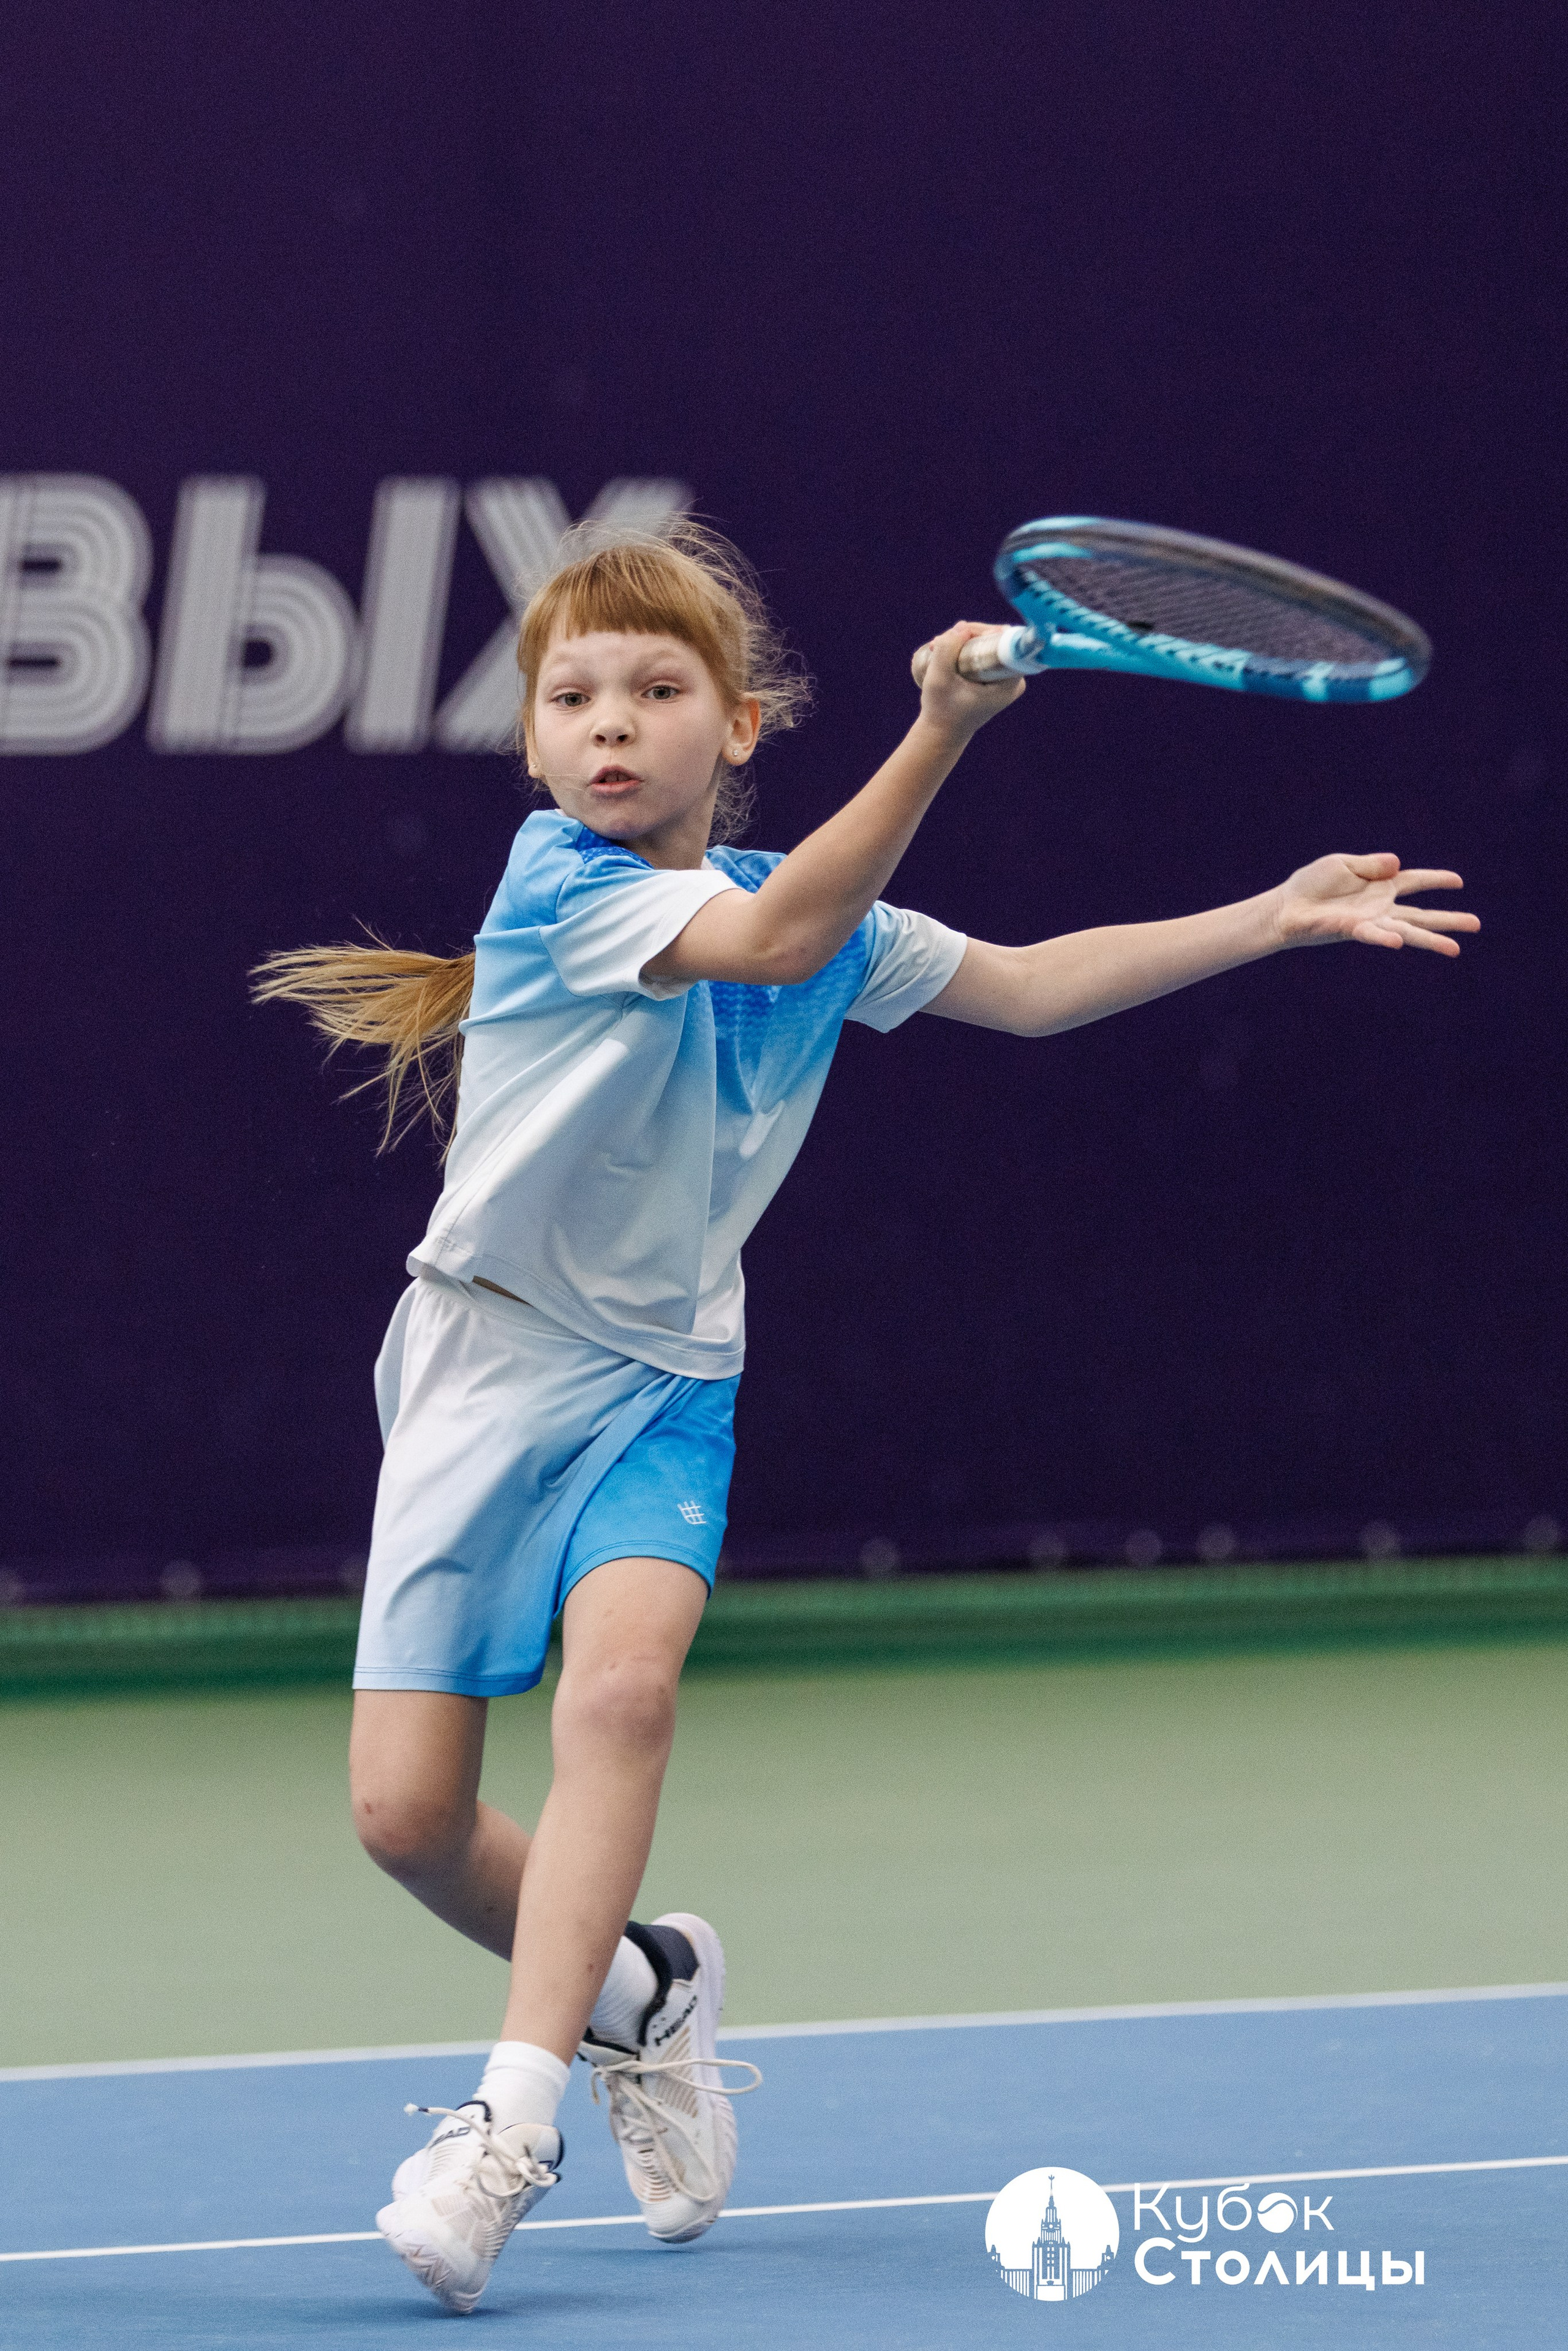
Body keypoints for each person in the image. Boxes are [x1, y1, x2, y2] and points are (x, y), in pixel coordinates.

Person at [255, 521, 1476, 2314]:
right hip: (475, 1375)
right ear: (531, 746)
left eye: (658, 692)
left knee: (623, 1692)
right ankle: (645, 1992)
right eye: (572, 698)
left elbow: (1036, 985)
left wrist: (1271, 919)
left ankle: (506, 2131)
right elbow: (777, 932)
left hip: (663, 1388)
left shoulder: (819, 913)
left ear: (737, 727)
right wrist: (942, 736)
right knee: (406, 1819)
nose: (611, 727)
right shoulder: (565, 891)